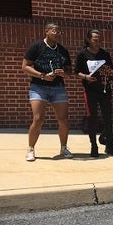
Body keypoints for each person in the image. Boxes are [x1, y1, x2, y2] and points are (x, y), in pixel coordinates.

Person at [22, 22, 73, 162]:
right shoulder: (37, 47)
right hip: (38, 87)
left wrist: (64, 73)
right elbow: (25, 66)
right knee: (38, 119)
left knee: (63, 120)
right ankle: (31, 149)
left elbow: (69, 71)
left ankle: (63, 148)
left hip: (58, 88)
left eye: (60, 32)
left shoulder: (62, 50)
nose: (58, 34)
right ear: (47, 31)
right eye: (55, 31)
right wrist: (42, 75)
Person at [74, 29, 113, 157]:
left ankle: (110, 146)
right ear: (89, 40)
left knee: (108, 118)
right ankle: (94, 146)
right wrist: (85, 77)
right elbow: (76, 71)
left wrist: (110, 74)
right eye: (95, 39)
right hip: (90, 91)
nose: (98, 41)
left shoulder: (105, 54)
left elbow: (110, 70)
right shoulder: (82, 54)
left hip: (105, 90)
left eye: (99, 39)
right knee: (92, 119)